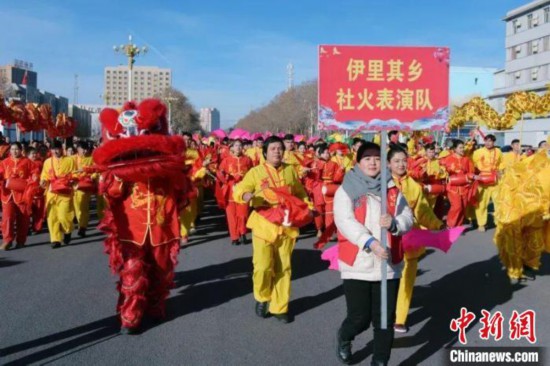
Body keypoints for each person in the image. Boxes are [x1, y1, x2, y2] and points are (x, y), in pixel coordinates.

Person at [333, 142, 413, 365]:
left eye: (377, 158)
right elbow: (344, 221)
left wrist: (395, 223)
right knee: (359, 318)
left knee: (384, 320)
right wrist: (369, 242)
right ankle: (344, 336)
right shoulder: (346, 189)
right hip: (357, 263)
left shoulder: (392, 189)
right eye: (367, 158)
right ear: (358, 162)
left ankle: (380, 361)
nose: (372, 162)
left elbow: (408, 217)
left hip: (387, 265)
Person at [233, 136, 312, 324]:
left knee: (284, 267)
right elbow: (240, 190)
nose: (277, 151)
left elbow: (300, 193)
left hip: (286, 225)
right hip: (263, 224)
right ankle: (262, 296)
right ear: (265, 152)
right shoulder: (256, 172)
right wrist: (246, 194)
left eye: (280, 148)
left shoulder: (290, 171)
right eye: (273, 148)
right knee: (262, 267)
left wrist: (307, 205)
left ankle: (280, 307)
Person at [386, 146, 444, 334]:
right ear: (388, 164)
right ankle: (385, 312)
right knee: (385, 279)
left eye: (404, 160)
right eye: (396, 161)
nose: (401, 164)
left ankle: (400, 319)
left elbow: (423, 211)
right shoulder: (380, 184)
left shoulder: (414, 186)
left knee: (407, 279)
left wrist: (437, 225)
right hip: (385, 239)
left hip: (409, 238)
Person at [40, 140, 77, 248]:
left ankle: (67, 231)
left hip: (65, 192)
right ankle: (55, 239)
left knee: (64, 216)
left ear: (61, 149)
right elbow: (44, 175)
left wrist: (72, 180)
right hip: (51, 192)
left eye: (57, 149)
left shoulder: (70, 160)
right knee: (52, 217)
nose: (55, 151)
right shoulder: (47, 162)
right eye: (53, 149)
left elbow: (75, 174)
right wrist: (43, 181)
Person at [0, 142, 37, 249]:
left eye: (16, 149)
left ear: (21, 150)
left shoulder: (27, 162)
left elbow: (34, 172)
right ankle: (7, 240)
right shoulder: (4, 162)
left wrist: (34, 179)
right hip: (7, 194)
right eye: (12, 149)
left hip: (22, 194)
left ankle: (21, 240)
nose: (14, 151)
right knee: (7, 217)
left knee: (23, 218)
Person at [217, 139, 253, 245]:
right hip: (230, 190)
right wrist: (225, 176)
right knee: (231, 215)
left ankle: (243, 233)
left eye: (240, 145)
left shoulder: (247, 160)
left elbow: (252, 173)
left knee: (243, 213)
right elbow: (220, 174)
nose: (238, 147)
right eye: (236, 145)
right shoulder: (226, 160)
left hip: (243, 189)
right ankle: (234, 236)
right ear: (231, 147)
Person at [441, 139, 476, 228]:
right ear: (455, 149)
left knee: (463, 207)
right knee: (457, 207)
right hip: (453, 188)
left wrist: (472, 177)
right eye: (460, 148)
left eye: (463, 147)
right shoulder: (448, 159)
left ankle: (458, 225)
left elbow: (470, 172)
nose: (462, 149)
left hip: (464, 187)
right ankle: (450, 225)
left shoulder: (466, 160)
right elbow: (441, 171)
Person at [472, 134, 502, 231]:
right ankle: (481, 224)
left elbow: (502, 163)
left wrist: (500, 171)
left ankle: (498, 222)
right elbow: (473, 165)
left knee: (498, 203)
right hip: (482, 181)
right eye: (486, 141)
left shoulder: (498, 151)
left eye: (490, 141)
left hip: (495, 181)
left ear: (494, 142)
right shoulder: (478, 152)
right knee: (482, 204)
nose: (488, 143)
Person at [72, 141, 95, 237]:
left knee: (83, 207)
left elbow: (96, 170)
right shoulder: (72, 159)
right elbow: (69, 170)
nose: (85, 151)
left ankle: (82, 226)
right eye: (82, 149)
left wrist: (92, 176)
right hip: (74, 186)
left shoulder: (91, 159)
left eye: (86, 149)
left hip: (85, 186)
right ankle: (81, 223)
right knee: (76, 207)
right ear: (78, 149)